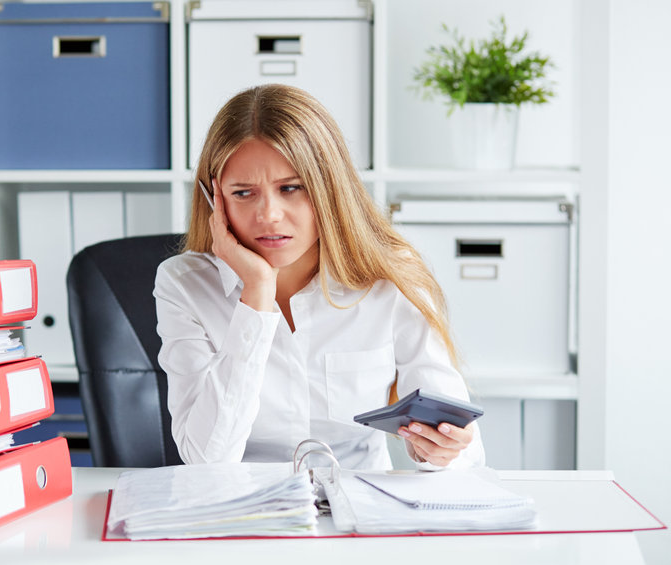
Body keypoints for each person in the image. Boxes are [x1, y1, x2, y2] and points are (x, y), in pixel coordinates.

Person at [154, 84, 484, 470]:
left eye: (291, 188)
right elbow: (206, 460)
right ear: (215, 200)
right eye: (243, 193)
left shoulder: (390, 276)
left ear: (329, 189)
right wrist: (257, 294)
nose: (269, 215)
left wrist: (439, 451)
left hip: (361, 511)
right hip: (246, 515)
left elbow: (462, 450)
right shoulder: (184, 285)